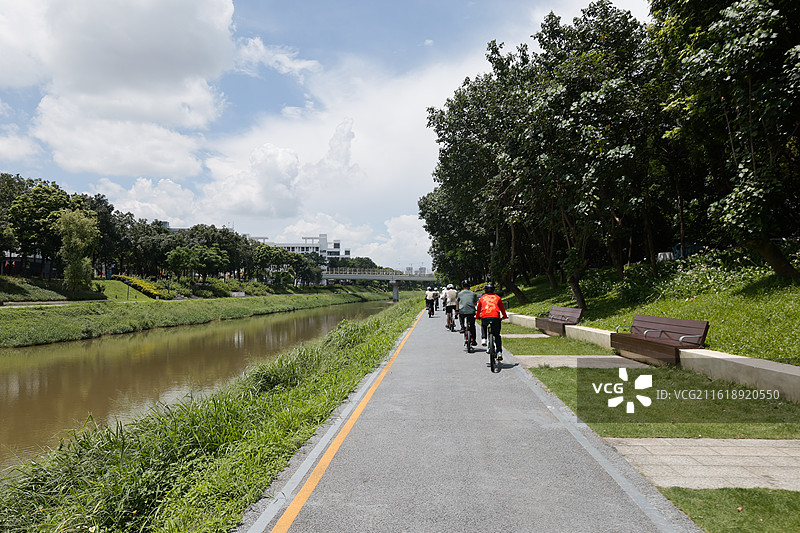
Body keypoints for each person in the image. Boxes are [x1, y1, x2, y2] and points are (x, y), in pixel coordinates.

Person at [475, 283, 508, 360]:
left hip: (485, 316)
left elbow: (478, 309)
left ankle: (484, 339)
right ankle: (499, 352)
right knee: (497, 335)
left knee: (483, 326)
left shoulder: (482, 298)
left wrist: (477, 316)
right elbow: (502, 309)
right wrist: (505, 316)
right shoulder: (497, 297)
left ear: (485, 290)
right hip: (495, 317)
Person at [457, 280, 478, 346]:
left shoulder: (460, 294)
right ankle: (474, 340)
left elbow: (457, 302)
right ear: (469, 286)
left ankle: (462, 327)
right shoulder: (473, 294)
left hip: (462, 311)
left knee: (461, 317)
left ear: (462, 286)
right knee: (472, 325)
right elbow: (475, 303)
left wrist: (457, 311)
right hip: (471, 312)